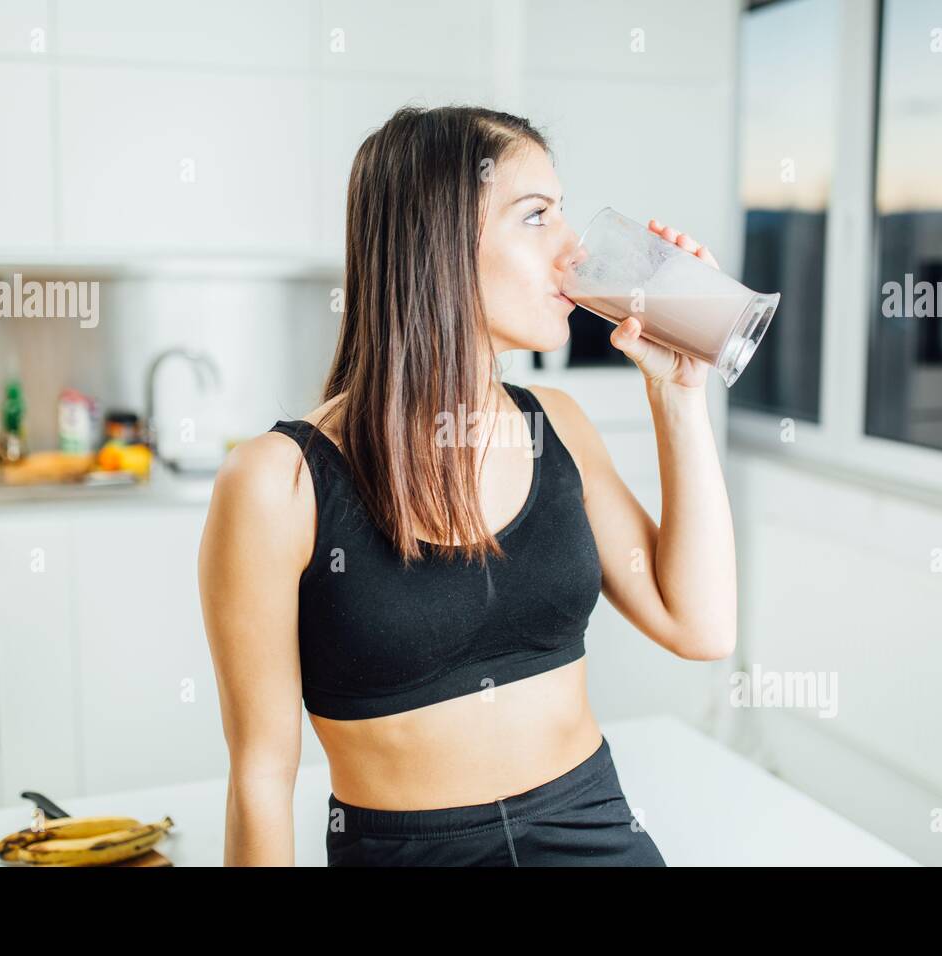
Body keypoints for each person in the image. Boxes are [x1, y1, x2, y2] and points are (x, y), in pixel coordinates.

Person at [198, 105, 737, 866]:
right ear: (438, 242)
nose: (576, 249)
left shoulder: (559, 424)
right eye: (538, 216)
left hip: (594, 832)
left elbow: (701, 625)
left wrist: (679, 397)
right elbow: (260, 777)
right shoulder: (276, 482)